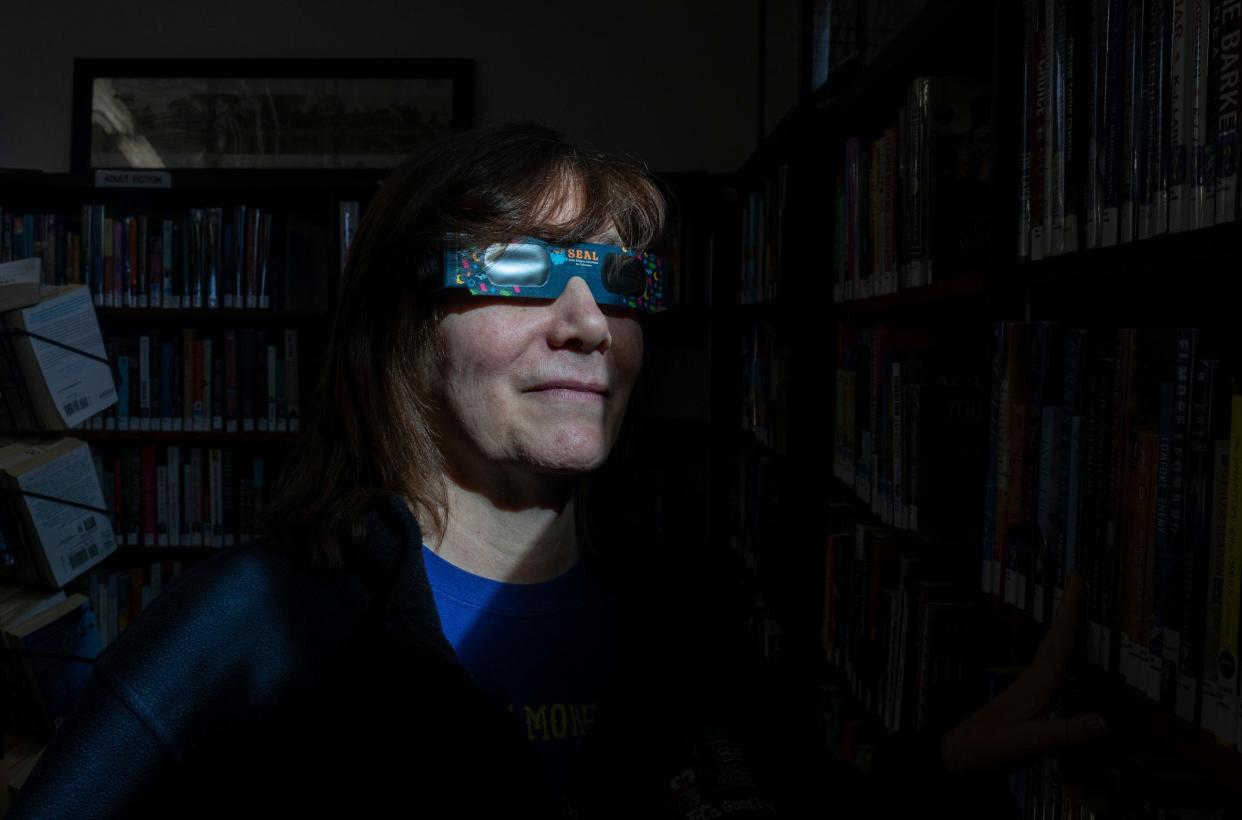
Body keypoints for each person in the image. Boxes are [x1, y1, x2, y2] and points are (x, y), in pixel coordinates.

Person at [6, 122, 1108, 819]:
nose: (590, 321)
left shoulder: (692, 609)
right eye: (524, 266)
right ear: (408, 323)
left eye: (619, 278)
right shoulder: (244, 626)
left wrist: (941, 772)